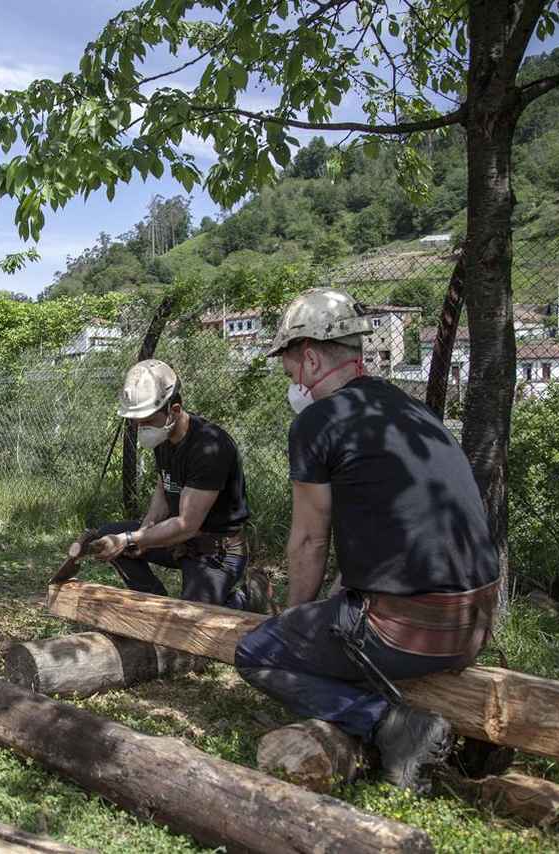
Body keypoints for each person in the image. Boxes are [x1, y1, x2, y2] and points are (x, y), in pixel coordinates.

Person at [232, 288, 500, 794]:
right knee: (335, 620)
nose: (293, 384)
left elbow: (310, 540)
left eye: (290, 371)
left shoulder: (318, 422)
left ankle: (391, 725)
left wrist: (294, 621)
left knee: (258, 653)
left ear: (309, 357)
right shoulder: (412, 412)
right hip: (478, 622)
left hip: (410, 631)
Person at [90, 358, 268, 611]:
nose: (141, 428)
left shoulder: (209, 448)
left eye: (147, 420)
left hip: (216, 552)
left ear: (174, 410)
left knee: (191, 621)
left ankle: (249, 598)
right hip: (181, 541)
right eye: (137, 421)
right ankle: (154, 605)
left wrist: (132, 539)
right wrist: (145, 528)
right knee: (107, 535)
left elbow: (187, 524)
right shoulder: (163, 435)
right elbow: (165, 485)